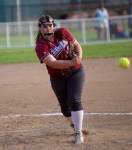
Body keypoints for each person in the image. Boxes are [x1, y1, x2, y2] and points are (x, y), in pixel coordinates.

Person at [35, 15, 85, 144]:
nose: (48, 28)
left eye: (50, 25)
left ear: (54, 26)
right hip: (57, 77)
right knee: (65, 108)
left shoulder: (63, 33)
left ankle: (78, 133)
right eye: (44, 26)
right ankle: (73, 125)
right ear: (40, 28)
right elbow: (53, 63)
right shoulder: (40, 46)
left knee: (74, 99)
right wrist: (72, 62)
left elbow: (77, 45)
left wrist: (78, 57)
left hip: (75, 72)